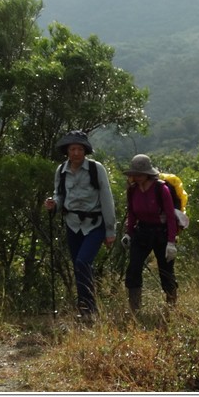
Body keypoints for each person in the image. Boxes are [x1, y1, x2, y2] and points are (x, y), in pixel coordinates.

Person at [44, 130, 116, 319]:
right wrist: (54, 203)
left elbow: (106, 198)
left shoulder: (96, 168)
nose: (75, 152)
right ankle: (84, 308)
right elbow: (59, 194)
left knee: (83, 262)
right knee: (78, 266)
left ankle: (89, 309)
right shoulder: (61, 170)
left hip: (95, 223)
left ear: (85, 150)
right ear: (67, 151)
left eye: (79, 149)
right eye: (72, 148)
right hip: (72, 223)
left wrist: (110, 231)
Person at [121, 154, 179, 312]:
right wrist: (129, 233)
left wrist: (171, 242)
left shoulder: (162, 189)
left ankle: (171, 306)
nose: (137, 177)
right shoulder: (133, 190)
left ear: (148, 173)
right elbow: (132, 213)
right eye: (135, 174)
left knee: (166, 271)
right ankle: (135, 309)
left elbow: (171, 216)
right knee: (133, 268)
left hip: (162, 233)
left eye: (140, 174)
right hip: (142, 233)